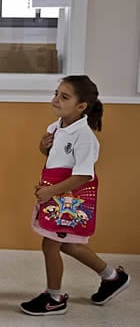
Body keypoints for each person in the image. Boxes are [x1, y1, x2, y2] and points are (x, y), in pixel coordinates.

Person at [20, 75, 130, 316]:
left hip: (69, 197)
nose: (56, 99)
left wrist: (49, 192)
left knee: (50, 244)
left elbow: (83, 175)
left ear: (81, 107)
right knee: (69, 245)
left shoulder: (85, 138)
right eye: (56, 93)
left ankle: (54, 297)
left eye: (64, 96)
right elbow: (56, 159)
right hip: (56, 193)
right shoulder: (55, 126)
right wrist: (43, 146)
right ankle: (112, 276)